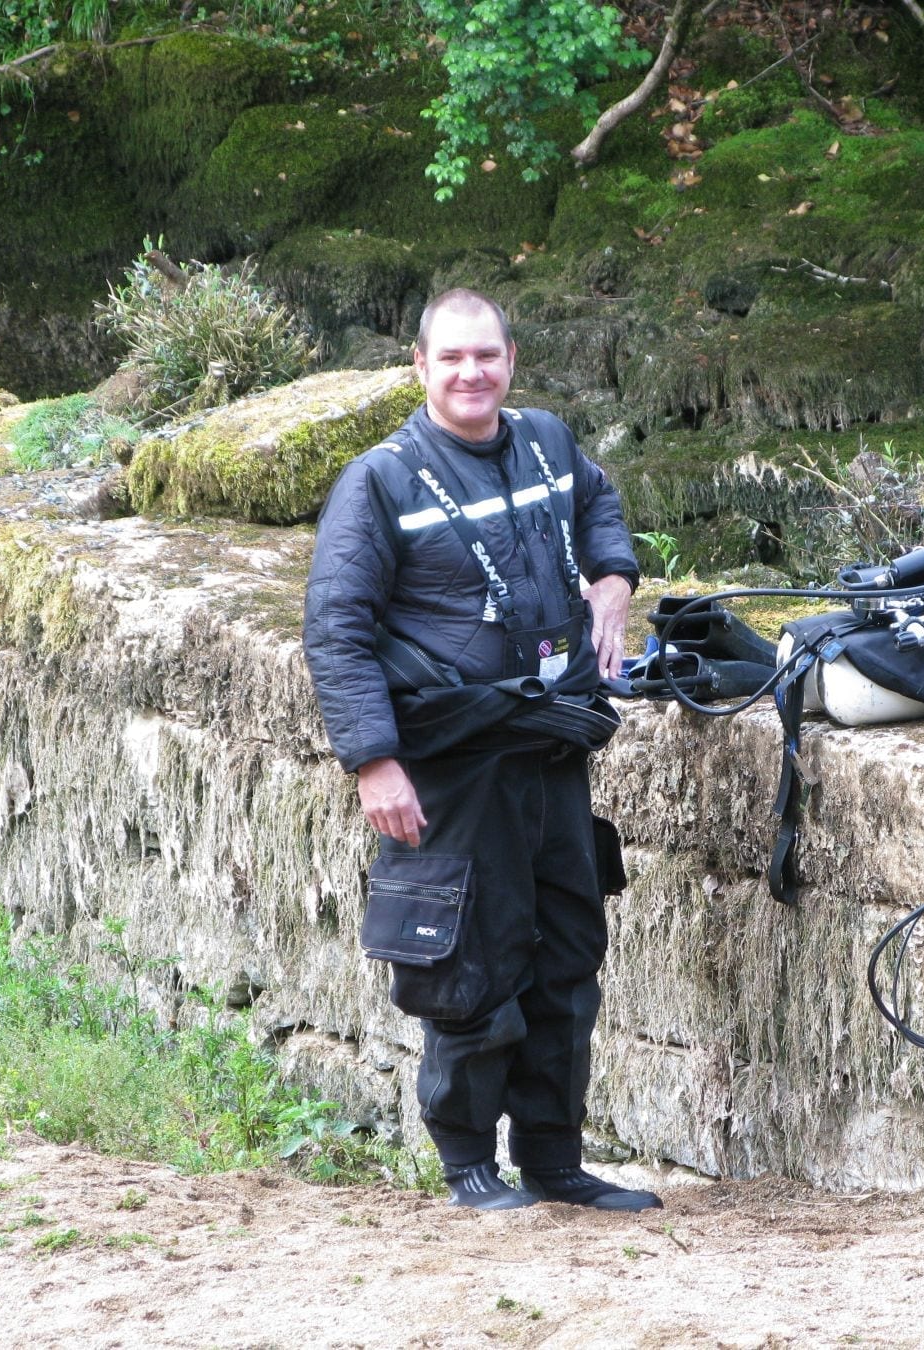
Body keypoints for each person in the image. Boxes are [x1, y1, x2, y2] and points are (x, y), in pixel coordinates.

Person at [303, 289, 659, 1212]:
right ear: (420, 366)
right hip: (454, 767)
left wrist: (613, 579)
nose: (472, 374)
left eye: (487, 356)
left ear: (511, 360)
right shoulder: (378, 482)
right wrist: (373, 761)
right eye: (453, 358)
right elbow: (336, 632)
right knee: (467, 965)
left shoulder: (546, 441)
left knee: (567, 959)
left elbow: (598, 500)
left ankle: (554, 1161)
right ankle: (468, 1165)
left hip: (552, 751)